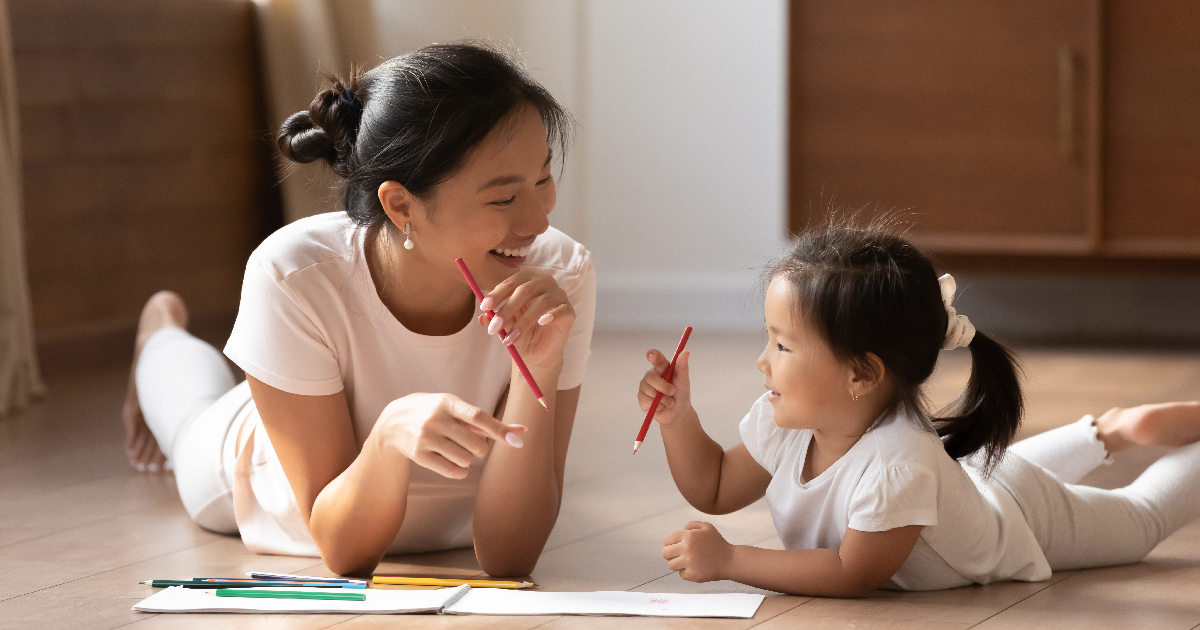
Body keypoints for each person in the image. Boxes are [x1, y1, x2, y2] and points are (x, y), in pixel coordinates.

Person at [120, 42, 596, 577]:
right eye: (504, 199)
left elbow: (511, 558)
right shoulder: (294, 274)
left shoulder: (559, 272)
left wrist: (541, 365)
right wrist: (389, 436)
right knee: (189, 418)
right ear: (401, 205)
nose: (536, 221)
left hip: (443, 521)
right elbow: (344, 550)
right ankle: (158, 333)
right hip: (262, 476)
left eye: (542, 179)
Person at [636, 218, 1200, 596]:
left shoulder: (898, 463)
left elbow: (852, 571)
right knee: (996, 476)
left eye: (782, 345)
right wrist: (677, 417)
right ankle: (1108, 430)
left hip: (1020, 518)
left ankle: (1115, 433)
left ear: (862, 373)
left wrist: (733, 561)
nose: (763, 362)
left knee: (1142, 517)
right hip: (973, 480)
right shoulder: (790, 421)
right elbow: (712, 487)